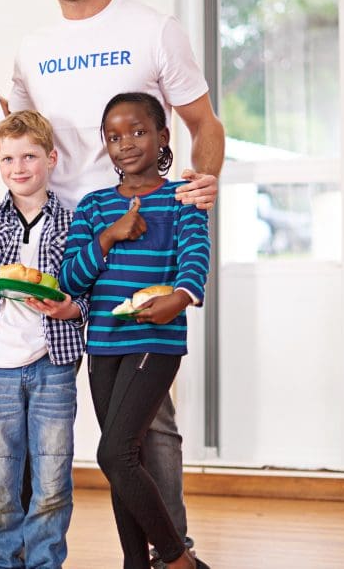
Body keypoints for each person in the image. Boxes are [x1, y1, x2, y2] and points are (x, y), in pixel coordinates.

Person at [0, 0, 226, 563]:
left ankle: (169, 550)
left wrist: (200, 189)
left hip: (139, 239)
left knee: (146, 418)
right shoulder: (35, 48)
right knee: (53, 407)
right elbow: (18, 130)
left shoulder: (154, 30)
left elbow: (204, 123)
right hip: (59, 241)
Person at [60, 93, 211, 569]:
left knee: (115, 452)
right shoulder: (94, 206)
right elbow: (70, 278)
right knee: (125, 458)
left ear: (163, 136)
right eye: (114, 136)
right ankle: (135, 563)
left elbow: (195, 255)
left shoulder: (181, 196)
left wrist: (181, 299)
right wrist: (109, 236)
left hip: (155, 339)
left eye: (138, 131)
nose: (125, 143)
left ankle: (176, 558)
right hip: (103, 343)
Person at [0, 111, 89, 567]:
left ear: (51, 158)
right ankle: (2, 562)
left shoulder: (72, 220)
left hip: (53, 363)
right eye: (8, 158)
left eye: (29, 156)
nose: (18, 167)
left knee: (51, 480)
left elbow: (85, 290)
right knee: (0, 483)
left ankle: (46, 562)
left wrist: (70, 308)